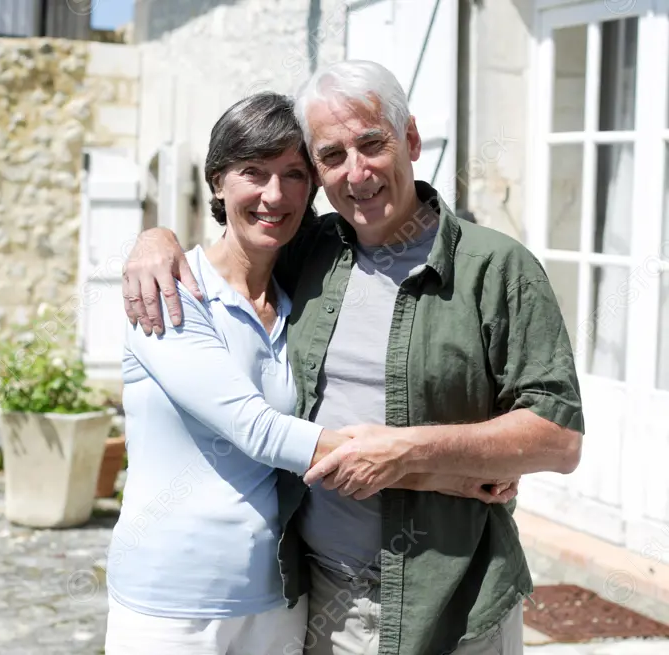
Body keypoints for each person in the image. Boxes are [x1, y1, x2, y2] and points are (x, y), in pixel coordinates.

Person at [120, 61, 584, 655]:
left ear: (410, 139)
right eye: (332, 156)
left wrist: (415, 451)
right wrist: (152, 238)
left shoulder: (497, 269)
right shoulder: (308, 252)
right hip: (324, 606)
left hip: (457, 607)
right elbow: (237, 241)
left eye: (372, 144)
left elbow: (559, 438)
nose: (357, 173)